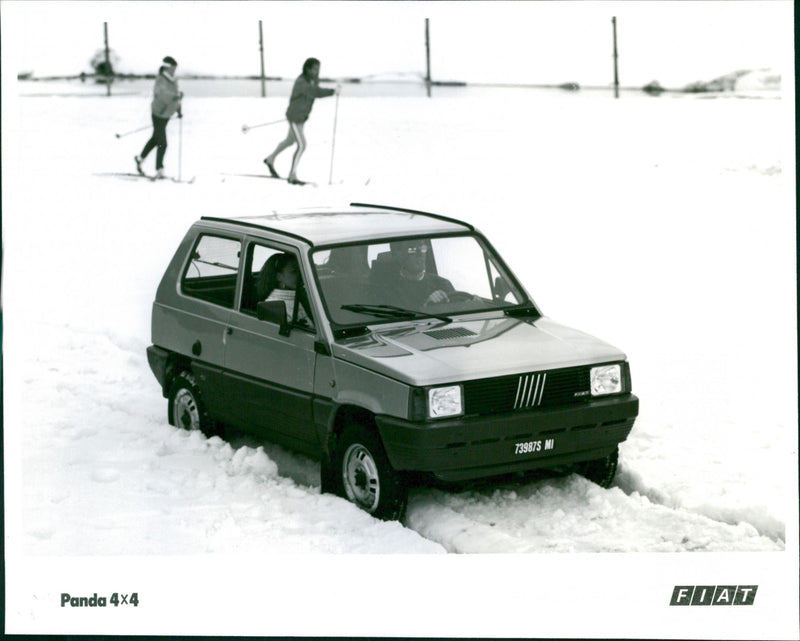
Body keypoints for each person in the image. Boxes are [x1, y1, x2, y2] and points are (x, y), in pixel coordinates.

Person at [263, 57, 337, 185]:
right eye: (314, 69)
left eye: (318, 69)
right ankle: (292, 176)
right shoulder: (301, 82)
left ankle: (270, 159)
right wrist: (333, 91)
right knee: (302, 145)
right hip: (294, 118)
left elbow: (314, 91)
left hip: (301, 118)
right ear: (307, 69)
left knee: (290, 141)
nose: (317, 71)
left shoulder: (313, 80)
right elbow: (315, 92)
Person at [135, 56, 183, 179]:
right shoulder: (160, 79)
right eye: (173, 68)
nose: (174, 70)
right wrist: (175, 96)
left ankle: (140, 159)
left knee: (156, 139)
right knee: (162, 142)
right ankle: (159, 169)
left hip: (167, 113)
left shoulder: (174, 80)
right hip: (158, 113)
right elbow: (161, 94)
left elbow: (176, 97)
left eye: (175, 68)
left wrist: (179, 110)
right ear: (168, 67)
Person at [371, 240, 455, 309]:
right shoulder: (388, 290)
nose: (420, 254)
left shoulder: (443, 284)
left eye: (422, 248)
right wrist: (427, 307)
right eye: (412, 249)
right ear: (399, 255)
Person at [257, 253, 311, 324]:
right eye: (294, 271)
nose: (301, 274)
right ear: (279, 277)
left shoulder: (305, 295)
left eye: (301, 270)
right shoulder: (274, 306)